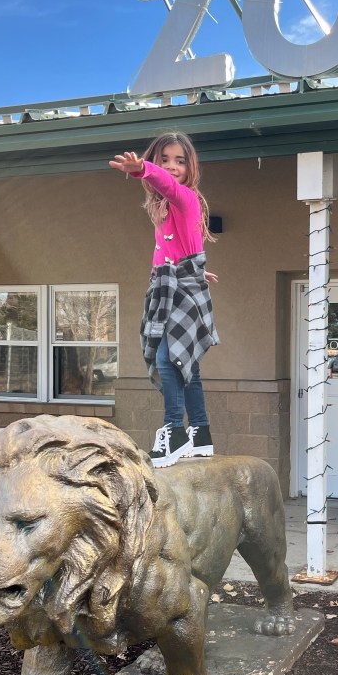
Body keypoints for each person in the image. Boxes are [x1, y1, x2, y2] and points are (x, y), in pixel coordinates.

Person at [109, 132, 219, 468]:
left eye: (180, 161)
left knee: (166, 358)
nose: (172, 167)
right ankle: (200, 432)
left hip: (179, 288)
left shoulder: (185, 197)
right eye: (165, 160)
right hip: (170, 284)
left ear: (190, 166)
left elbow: (168, 185)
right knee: (187, 364)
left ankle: (175, 431)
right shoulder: (164, 208)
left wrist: (143, 168)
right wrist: (197, 272)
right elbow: (178, 250)